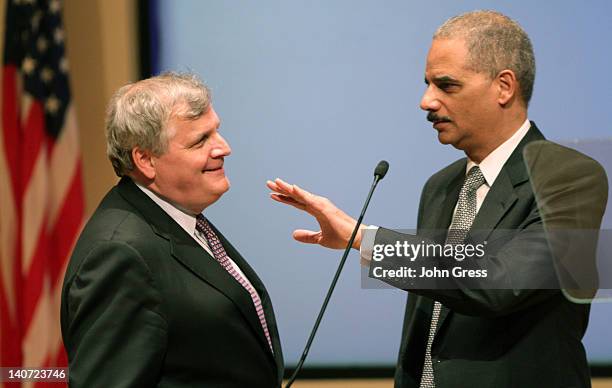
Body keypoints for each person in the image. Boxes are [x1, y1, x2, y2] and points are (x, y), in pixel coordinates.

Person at [267, 10, 606, 388]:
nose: (426, 101)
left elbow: (497, 284)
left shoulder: (567, 177)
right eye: (428, 84)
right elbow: (429, 319)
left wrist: (366, 239)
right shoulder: (440, 186)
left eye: (446, 86)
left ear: (504, 87)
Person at [61, 72, 284, 387]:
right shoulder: (119, 253)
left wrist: (357, 239)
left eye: (216, 131)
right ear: (145, 159)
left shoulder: (179, 215)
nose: (224, 148)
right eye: (200, 141)